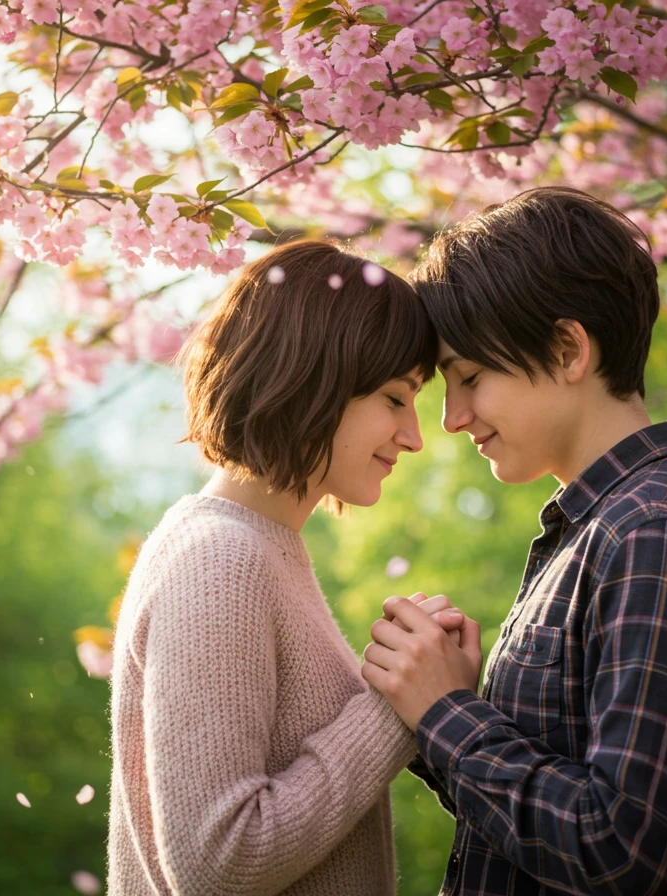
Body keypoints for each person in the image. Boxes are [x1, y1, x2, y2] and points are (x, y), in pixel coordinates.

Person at [362, 186, 667, 894]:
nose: (452, 418)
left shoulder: (656, 534)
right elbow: (547, 831)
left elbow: (620, 852)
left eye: (470, 377)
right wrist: (438, 712)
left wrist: (446, 715)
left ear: (566, 349)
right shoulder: (602, 529)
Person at [106, 239, 465, 896]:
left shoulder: (261, 547)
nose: (414, 436)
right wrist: (396, 708)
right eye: (395, 398)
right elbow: (218, 864)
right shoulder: (219, 560)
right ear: (315, 376)